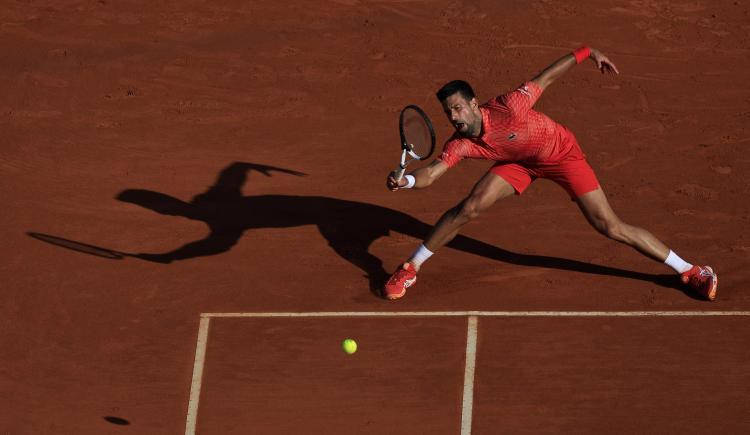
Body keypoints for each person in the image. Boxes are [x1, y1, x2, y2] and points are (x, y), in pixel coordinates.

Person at [384, 46, 718, 301]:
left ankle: (690, 271)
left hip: (561, 154)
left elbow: (548, 77)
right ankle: (410, 268)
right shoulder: (461, 143)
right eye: (448, 112)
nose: (454, 116)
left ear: (473, 103)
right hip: (519, 163)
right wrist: (408, 180)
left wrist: (589, 52)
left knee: (610, 226)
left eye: (457, 107)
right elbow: (431, 173)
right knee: (469, 207)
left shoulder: (509, 106)